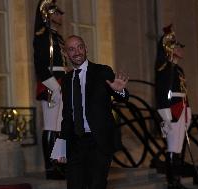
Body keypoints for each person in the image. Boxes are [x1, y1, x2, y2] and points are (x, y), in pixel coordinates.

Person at [54, 35, 129, 189]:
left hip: (99, 142)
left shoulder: (102, 71)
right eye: (71, 49)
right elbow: (67, 116)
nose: (77, 52)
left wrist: (120, 91)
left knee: (96, 185)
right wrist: (61, 148)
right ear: (66, 54)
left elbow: (124, 97)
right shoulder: (67, 80)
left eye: (80, 47)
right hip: (76, 143)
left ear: (86, 48)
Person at [155, 24, 191, 189]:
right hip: (171, 109)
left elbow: (183, 92)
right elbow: (163, 94)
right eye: (178, 46)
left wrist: (188, 110)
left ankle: (176, 179)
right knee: (172, 146)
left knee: (178, 147)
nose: (181, 49)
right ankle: (172, 181)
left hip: (181, 108)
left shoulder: (179, 70)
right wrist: (166, 116)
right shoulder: (165, 69)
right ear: (170, 48)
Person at [33, 0, 66, 180]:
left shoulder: (56, 36)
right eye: (56, 12)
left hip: (60, 82)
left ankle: (59, 164)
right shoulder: (43, 34)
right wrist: (54, 86)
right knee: (51, 126)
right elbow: (41, 64)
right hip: (51, 82)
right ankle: (51, 168)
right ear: (48, 14)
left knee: (60, 127)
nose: (60, 16)